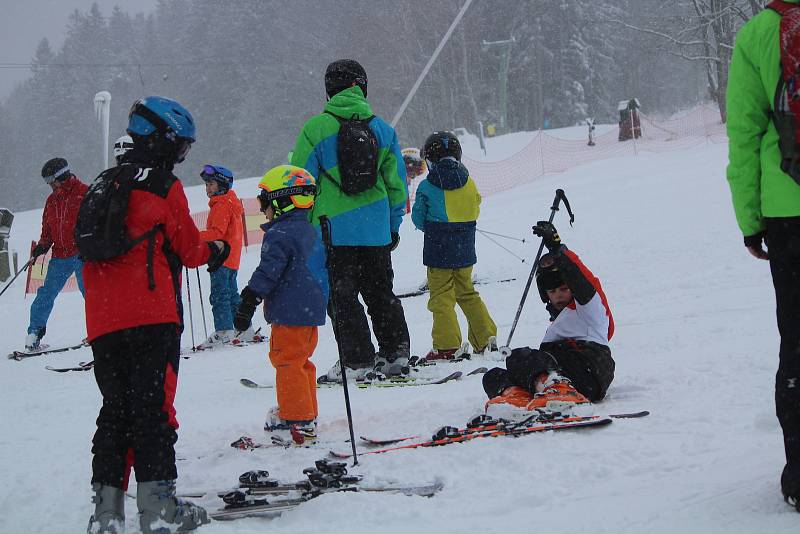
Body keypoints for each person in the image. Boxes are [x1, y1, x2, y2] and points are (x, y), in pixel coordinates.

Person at [84, 96, 229, 534]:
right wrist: (216, 250)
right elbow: (188, 249)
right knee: (152, 412)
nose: (181, 156)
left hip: (103, 322)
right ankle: (159, 509)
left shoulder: (102, 184)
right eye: (180, 146)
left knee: (114, 413)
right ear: (162, 139)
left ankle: (105, 514)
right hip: (152, 315)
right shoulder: (163, 186)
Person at [290, 58, 410, 381]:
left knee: (341, 297)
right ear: (361, 85)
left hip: (332, 232)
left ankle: (357, 361)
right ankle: (396, 353)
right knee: (381, 292)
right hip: (375, 232)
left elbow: (301, 183)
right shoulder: (383, 130)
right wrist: (392, 226)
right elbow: (398, 186)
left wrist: (303, 229)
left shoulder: (314, 130)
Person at [726, 2, 800, 511]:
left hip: (787, 208)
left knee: (796, 342)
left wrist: (751, 220)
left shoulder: (758, 34)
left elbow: (745, 136)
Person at [233, 165, 328, 445]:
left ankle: (297, 419)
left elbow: (268, 272)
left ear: (283, 200)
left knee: (287, 361)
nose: (263, 210)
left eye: (264, 202)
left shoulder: (280, 235)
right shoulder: (311, 231)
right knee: (301, 361)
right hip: (310, 310)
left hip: (290, 310)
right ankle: (305, 410)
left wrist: (249, 298)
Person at [482, 221, 614, 419]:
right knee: (493, 376)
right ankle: (517, 397)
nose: (559, 295)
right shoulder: (557, 323)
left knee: (525, 357)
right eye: (552, 291)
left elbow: (583, 281)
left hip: (589, 371)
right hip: (570, 373)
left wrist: (557, 249)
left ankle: (560, 390)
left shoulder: (588, 309)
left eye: (563, 289)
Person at [411, 131, 497, 361]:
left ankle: (447, 345)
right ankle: (486, 338)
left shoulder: (427, 186)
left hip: (438, 250)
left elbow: (418, 218)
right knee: (467, 292)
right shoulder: (469, 182)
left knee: (441, 296)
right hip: (465, 249)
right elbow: (476, 208)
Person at [24, 158, 88, 351]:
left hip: (82, 254)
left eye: (51, 180)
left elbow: (96, 223)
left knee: (92, 294)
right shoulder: (52, 200)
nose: (50, 185)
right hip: (60, 256)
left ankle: (99, 333)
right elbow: (48, 230)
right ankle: (34, 335)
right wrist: (41, 248)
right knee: (45, 294)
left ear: (62, 175)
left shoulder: (84, 193)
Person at [196, 163, 251, 348]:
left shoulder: (221, 204)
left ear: (222, 185)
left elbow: (216, 233)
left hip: (220, 257)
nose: (208, 188)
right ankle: (243, 329)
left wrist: (195, 237)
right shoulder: (231, 202)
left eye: (211, 184)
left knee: (219, 295)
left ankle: (224, 331)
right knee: (232, 296)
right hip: (232, 259)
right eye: (206, 185)